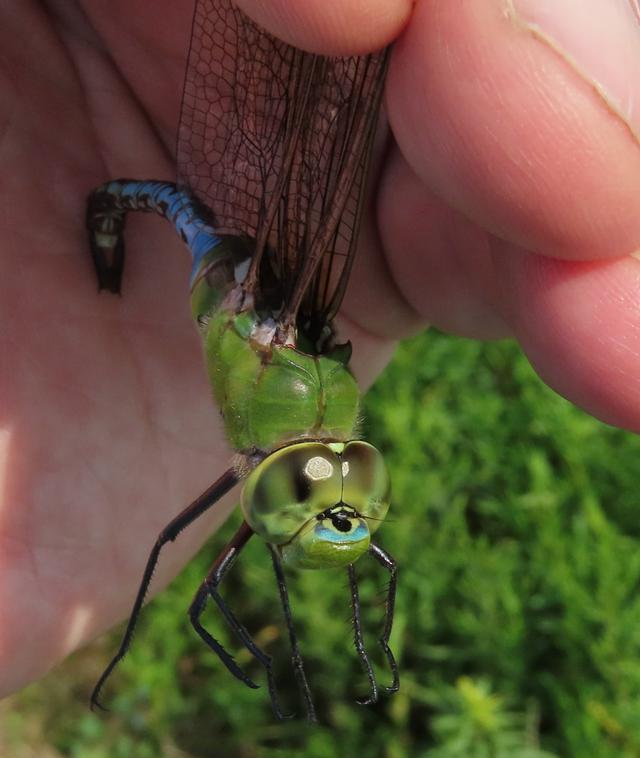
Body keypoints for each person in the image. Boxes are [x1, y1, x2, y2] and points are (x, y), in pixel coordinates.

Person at [2, 0, 640, 698]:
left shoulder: (287, 445)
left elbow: (367, 562)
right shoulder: (276, 437)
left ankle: (351, 664)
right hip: (231, 259)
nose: (342, 510)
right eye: (353, 492)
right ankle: (150, 659)